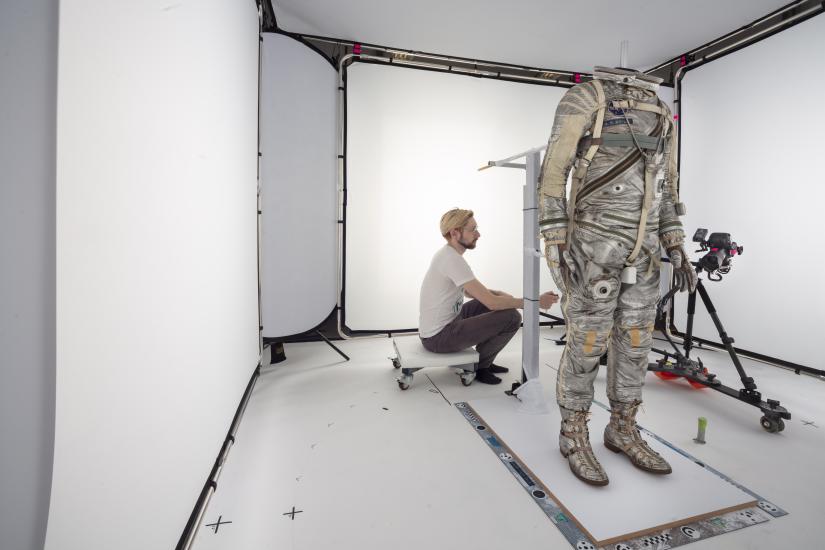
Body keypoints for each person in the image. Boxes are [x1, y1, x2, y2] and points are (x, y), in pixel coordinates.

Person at [538, 67, 698, 486]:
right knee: (588, 342)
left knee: (636, 342)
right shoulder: (585, 99)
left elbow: (664, 185)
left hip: (642, 253)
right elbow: (553, 175)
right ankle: (573, 432)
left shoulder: (661, 111)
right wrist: (554, 237)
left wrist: (675, 242)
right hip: (592, 247)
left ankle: (622, 428)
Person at [419, 208, 559, 385]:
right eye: (473, 229)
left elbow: (469, 291)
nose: (478, 234)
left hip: (446, 324)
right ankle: (481, 367)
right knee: (511, 317)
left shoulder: (448, 255)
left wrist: (497, 294)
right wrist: (536, 302)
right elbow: (492, 304)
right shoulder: (452, 260)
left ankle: (485, 360)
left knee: (494, 304)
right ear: (455, 233)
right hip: (438, 338)